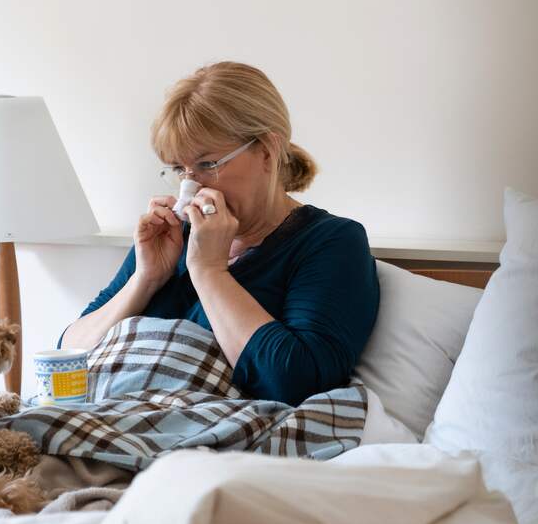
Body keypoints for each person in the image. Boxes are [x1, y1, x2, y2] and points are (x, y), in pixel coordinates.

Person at [60, 61, 379, 406]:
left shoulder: (331, 242)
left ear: (267, 151)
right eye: (179, 169)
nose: (189, 185)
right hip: (109, 416)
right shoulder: (172, 239)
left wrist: (210, 271)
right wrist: (145, 278)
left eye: (207, 164)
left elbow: (298, 383)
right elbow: (67, 355)